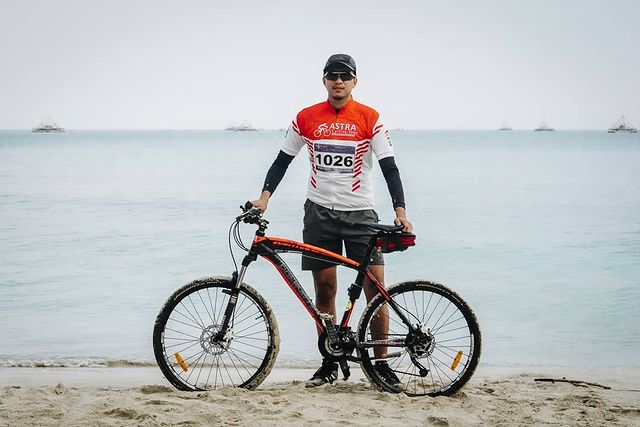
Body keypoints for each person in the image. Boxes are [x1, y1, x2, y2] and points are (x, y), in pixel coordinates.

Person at [251, 53, 413, 387]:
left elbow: (389, 167)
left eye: (345, 76)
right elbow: (282, 161)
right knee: (325, 292)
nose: (338, 81)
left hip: (361, 215)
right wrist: (264, 198)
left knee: (375, 290)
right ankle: (330, 362)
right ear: (324, 80)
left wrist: (400, 211)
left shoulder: (370, 118)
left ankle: (380, 364)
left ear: (355, 81)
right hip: (319, 214)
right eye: (332, 75)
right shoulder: (306, 118)